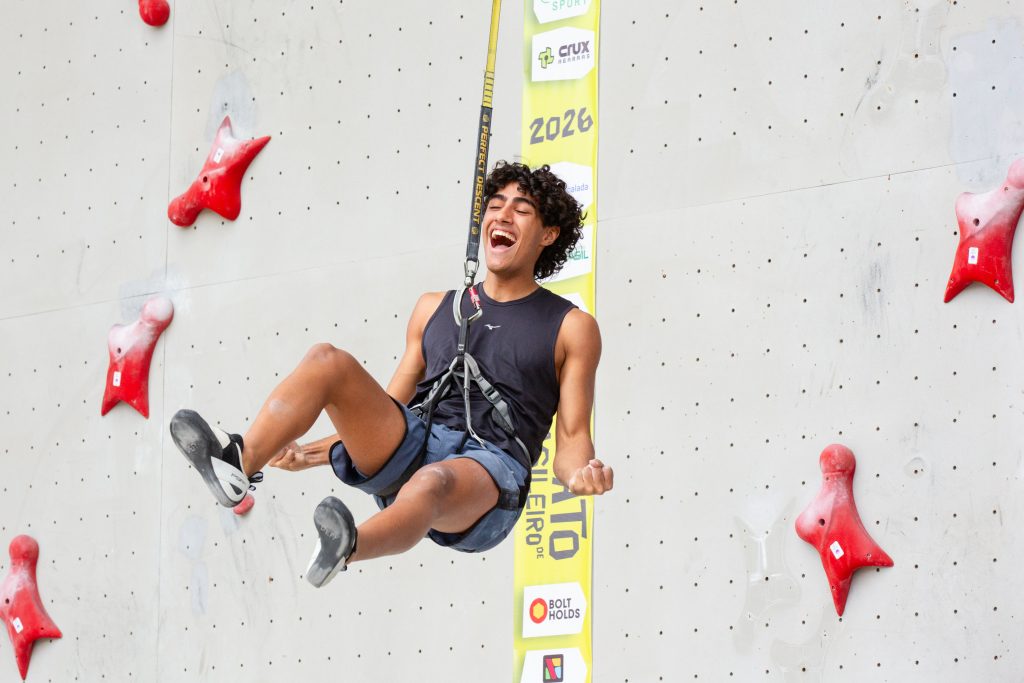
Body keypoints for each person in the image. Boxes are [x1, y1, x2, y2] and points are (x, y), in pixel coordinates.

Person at [169, 161, 613, 588]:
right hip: (420, 441)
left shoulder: (571, 327)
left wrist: (580, 476)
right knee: (327, 361)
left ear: (548, 234)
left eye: (521, 210)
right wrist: (309, 455)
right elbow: (390, 410)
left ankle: (349, 546)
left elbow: (573, 438)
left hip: (490, 475)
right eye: (495, 205)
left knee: (431, 482)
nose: (503, 215)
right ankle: (237, 465)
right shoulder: (434, 308)